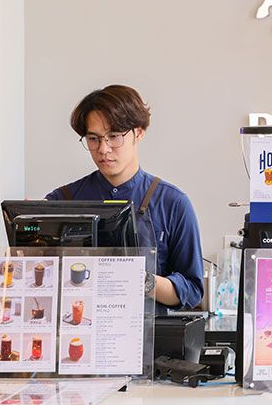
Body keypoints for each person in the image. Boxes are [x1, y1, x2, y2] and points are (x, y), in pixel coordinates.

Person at [46, 85, 204, 309]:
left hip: (149, 331)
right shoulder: (63, 201)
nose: (103, 149)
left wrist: (140, 279)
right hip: (79, 323)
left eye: (113, 136)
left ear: (139, 133)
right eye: (93, 138)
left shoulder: (173, 203)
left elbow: (192, 290)